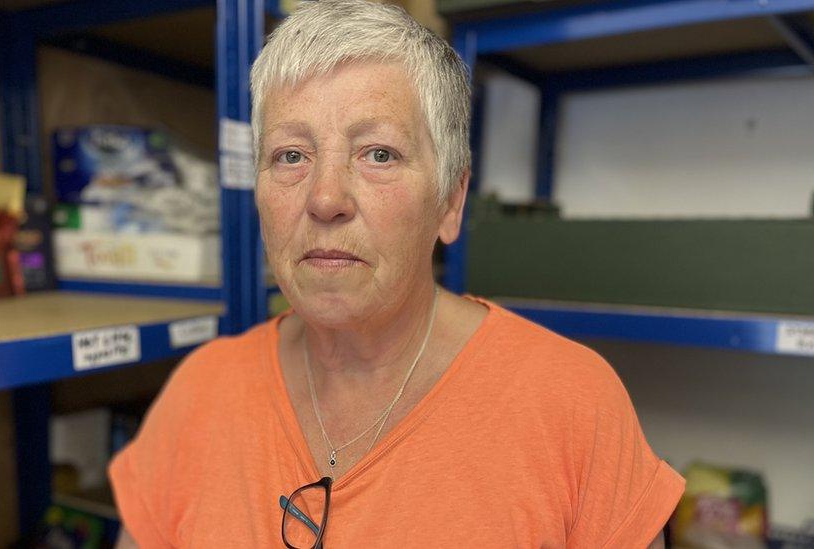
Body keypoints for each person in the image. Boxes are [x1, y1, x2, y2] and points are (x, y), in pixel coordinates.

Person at [110, 1, 684, 547]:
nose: (326, 197)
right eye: (290, 155)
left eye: (378, 153)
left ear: (450, 203)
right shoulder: (198, 394)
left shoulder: (573, 406)